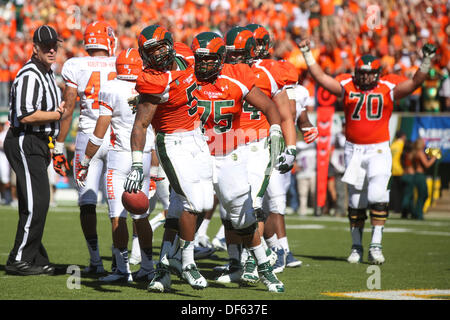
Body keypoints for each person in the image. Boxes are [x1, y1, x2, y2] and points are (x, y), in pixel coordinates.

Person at [299, 38, 436, 264]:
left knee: (377, 195)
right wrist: (306, 53)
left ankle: (376, 244)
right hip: (354, 150)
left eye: (368, 73)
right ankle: (356, 246)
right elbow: (321, 79)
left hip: (378, 149)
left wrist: (427, 61)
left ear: (377, 74)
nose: (364, 77)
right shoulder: (347, 85)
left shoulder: (388, 86)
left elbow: (414, 84)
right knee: (356, 201)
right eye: (361, 73)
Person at [191, 31, 285, 292]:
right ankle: (181, 264)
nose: (237, 58)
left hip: (244, 146)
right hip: (207, 149)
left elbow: (281, 110)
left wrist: (284, 139)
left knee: (248, 208)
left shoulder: (257, 73)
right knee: (195, 208)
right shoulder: (189, 75)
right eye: (233, 53)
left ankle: (259, 263)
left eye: (240, 53)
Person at [124, 25, 214, 292]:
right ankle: (186, 262)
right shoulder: (151, 79)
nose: (158, 54)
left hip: (196, 135)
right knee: (193, 203)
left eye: (161, 47)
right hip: (172, 141)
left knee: (199, 203)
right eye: (151, 51)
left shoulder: (186, 54)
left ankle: (163, 267)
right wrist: (137, 163)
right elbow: (140, 125)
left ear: (171, 44)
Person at [76, 48, 155, 283]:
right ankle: (148, 267)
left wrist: (86, 160)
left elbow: (99, 133)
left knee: (117, 215)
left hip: (120, 156)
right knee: (141, 215)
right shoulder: (150, 86)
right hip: (145, 155)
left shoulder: (111, 88)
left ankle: (122, 269)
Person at [55, 21, 117, 274]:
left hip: (86, 136)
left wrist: (59, 145)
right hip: (115, 138)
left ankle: (95, 260)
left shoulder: (74, 65)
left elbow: (68, 109)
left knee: (87, 200)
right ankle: (121, 261)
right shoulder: (119, 62)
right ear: (108, 40)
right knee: (117, 203)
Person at [4, 25, 65, 276]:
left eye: (55, 45)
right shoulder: (30, 74)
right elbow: (26, 115)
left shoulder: (48, 73)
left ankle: (35, 258)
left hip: (39, 142)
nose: (52, 49)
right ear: (35, 48)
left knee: (37, 201)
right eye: (46, 46)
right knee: (36, 202)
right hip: (25, 139)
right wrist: (57, 114)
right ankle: (19, 259)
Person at [412, 138, 437, 220]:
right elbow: (427, 165)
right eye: (423, 143)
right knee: (423, 195)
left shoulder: (416, 152)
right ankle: (418, 213)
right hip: (420, 175)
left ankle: (417, 212)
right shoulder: (420, 152)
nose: (425, 144)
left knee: (422, 195)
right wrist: (433, 158)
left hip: (417, 175)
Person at [390, 131, 407, 213]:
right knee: (402, 191)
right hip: (400, 170)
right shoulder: (402, 144)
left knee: (395, 191)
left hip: (393, 169)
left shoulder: (393, 145)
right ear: (403, 136)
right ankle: (401, 208)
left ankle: (395, 208)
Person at [400, 140, 415, 219]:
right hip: (410, 175)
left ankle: (411, 212)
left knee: (409, 196)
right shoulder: (410, 155)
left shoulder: (403, 154)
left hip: (404, 175)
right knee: (408, 196)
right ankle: (404, 211)